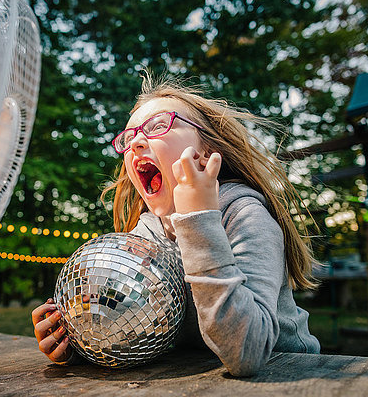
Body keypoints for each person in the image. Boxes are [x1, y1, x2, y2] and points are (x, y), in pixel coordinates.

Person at [32, 73, 320, 376]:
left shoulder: (245, 215)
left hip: (293, 373)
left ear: (206, 151)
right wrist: (80, 344)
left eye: (158, 126)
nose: (136, 142)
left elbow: (247, 352)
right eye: (128, 138)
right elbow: (135, 327)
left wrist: (198, 219)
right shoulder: (145, 237)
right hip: (197, 377)